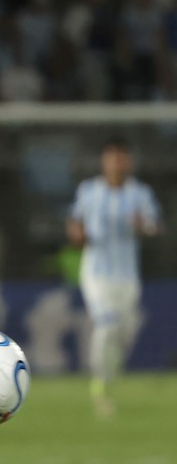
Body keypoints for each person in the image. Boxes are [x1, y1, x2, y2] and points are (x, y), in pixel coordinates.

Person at [67, 139, 162, 418]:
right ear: (104, 161)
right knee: (106, 323)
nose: (117, 164)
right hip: (96, 271)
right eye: (112, 158)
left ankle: (109, 370)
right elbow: (75, 222)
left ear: (128, 162)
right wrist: (77, 235)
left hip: (127, 274)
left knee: (126, 329)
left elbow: (154, 226)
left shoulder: (140, 194)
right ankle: (99, 384)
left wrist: (143, 226)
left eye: (121, 158)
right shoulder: (89, 191)